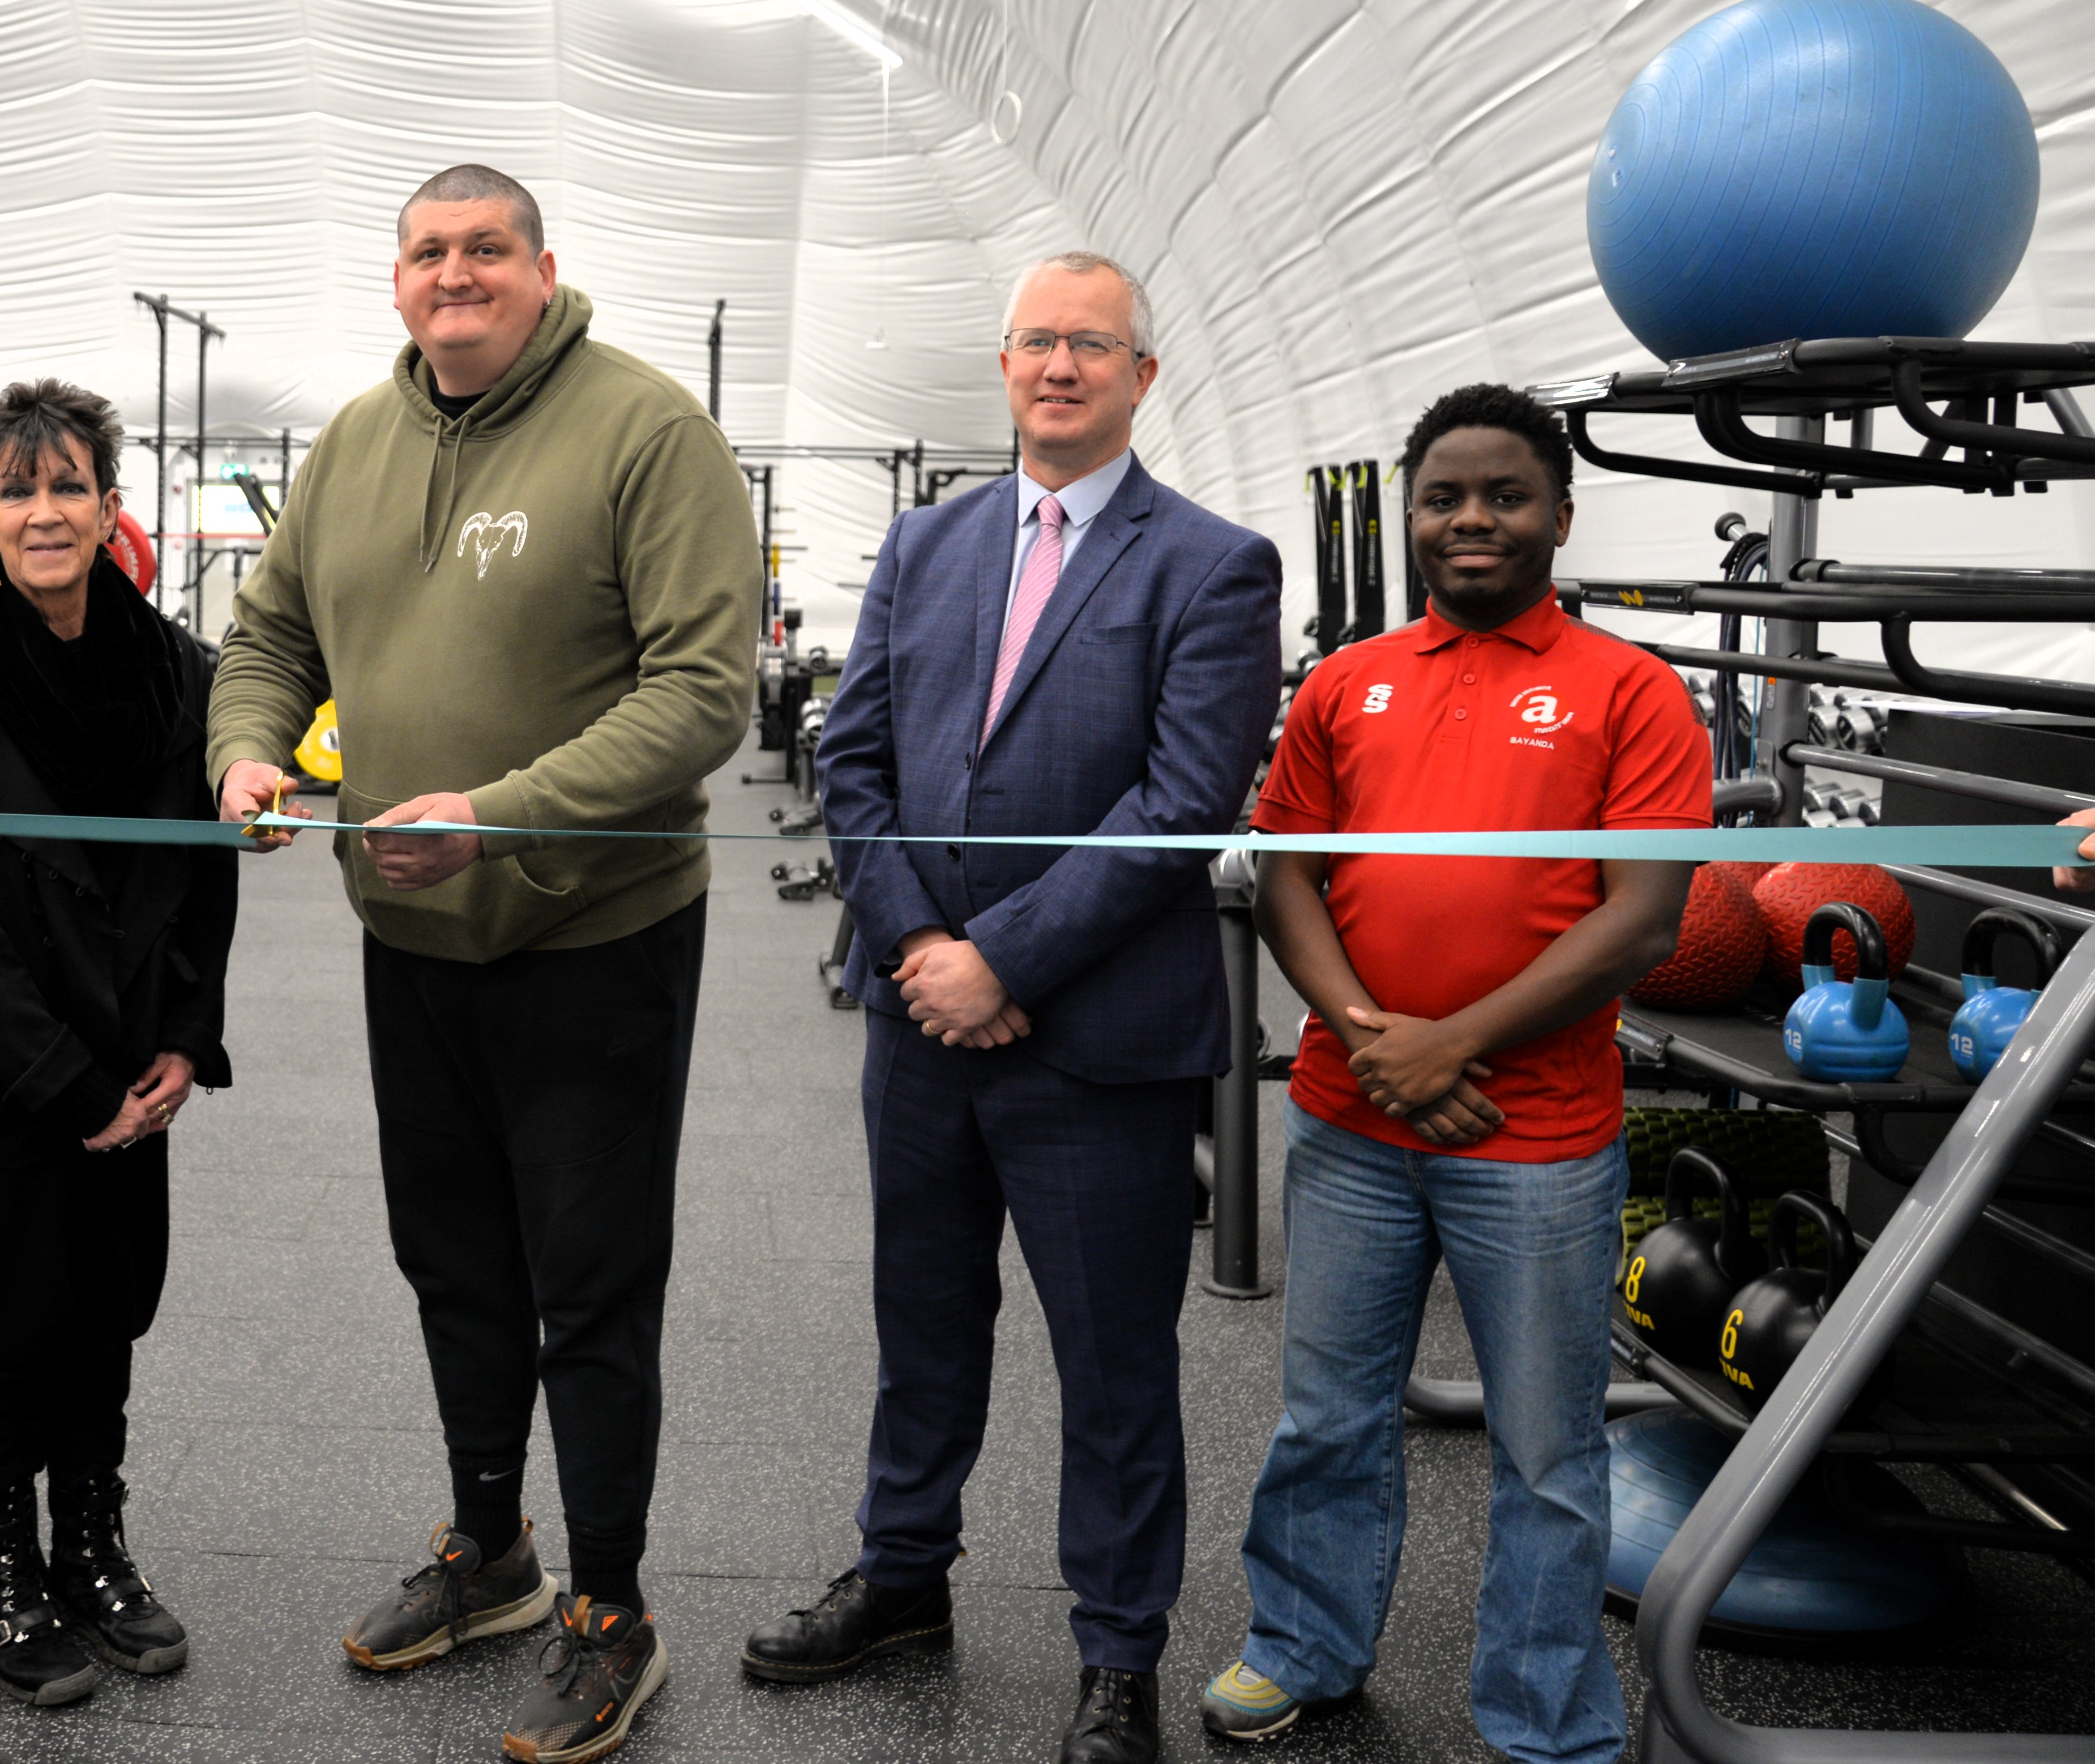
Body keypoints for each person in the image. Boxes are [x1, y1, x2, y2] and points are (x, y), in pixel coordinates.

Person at [205, 163, 759, 1764]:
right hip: (412, 937)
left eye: (485, 251)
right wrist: (246, 753)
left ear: (543, 269)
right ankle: (489, 1548)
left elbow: (703, 692)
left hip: (595, 940)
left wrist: (500, 812)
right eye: (428, 253)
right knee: (454, 1261)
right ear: (398, 283)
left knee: (589, 1284)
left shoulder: (646, 431)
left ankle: (613, 1605)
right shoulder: (357, 443)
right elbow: (269, 637)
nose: (456, 275)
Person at [768, 251, 1281, 1764]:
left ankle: (1118, 1654)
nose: (1060, 365)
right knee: (920, 1322)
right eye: (1036, 341)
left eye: (1092, 344)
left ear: (1142, 377)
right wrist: (927, 946)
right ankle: (904, 1572)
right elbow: (847, 758)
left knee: (1112, 1361)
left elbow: (1186, 802)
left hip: (1099, 1044)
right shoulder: (925, 546)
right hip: (921, 1029)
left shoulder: (1214, 562)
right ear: (1004, 367)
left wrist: (1008, 961)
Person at [1198, 384, 1705, 1764]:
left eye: (1503, 495)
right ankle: (1302, 1645)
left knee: (1548, 1452)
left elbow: (1641, 919)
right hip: (1351, 1117)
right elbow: (1286, 871)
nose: (1470, 518)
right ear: (1411, 514)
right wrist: (1376, 1036)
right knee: (1325, 1417)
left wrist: (1451, 1044)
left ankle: (1544, 1719)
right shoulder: (1346, 683)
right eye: (1443, 496)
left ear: (1558, 514)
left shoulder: (1632, 692)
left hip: (1533, 1139)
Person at [0, 379, 236, 1709]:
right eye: (18, 490)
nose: (46, 511)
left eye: (68, 485)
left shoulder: (179, 676)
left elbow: (206, 884)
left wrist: (183, 1047)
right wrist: (67, 1083)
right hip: (0, 1082)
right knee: (7, 1326)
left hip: (134, 1076)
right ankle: (9, 1569)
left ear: (108, 506)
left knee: (106, 1315)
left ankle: (93, 1546)